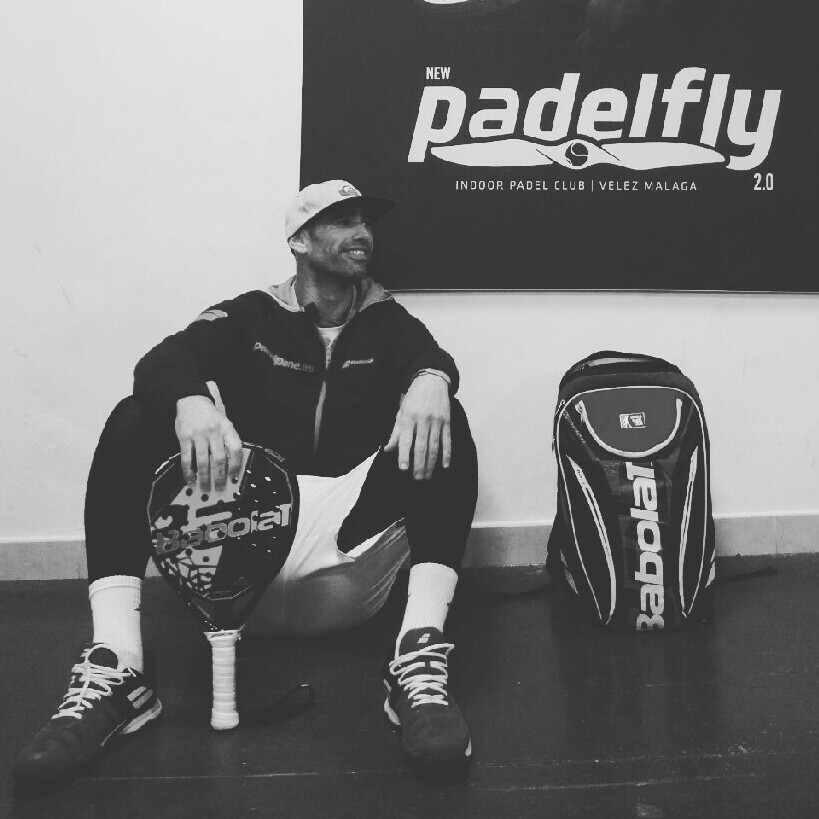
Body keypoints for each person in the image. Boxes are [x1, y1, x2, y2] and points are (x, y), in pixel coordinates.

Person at [12, 180, 479, 786]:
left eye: (365, 221)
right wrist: (191, 402)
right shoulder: (250, 314)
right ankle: (119, 669)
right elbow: (162, 362)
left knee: (444, 417)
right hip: (240, 557)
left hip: (343, 557)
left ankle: (417, 655)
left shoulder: (388, 321)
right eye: (342, 221)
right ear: (299, 241)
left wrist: (433, 378)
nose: (362, 233)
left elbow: (431, 357)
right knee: (135, 417)